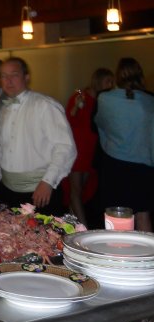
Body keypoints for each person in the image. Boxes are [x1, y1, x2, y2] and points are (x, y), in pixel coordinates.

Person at [0, 57, 76, 214]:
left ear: (26, 77)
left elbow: (65, 147)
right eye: (4, 76)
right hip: (7, 191)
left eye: (14, 75)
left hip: (39, 192)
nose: (9, 81)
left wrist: (48, 182)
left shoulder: (45, 105)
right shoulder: (4, 111)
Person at [94, 58, 154, 232]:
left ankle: (117, 256)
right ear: (140, 76)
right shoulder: (150, 101)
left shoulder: (105, 98)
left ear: (117, 76)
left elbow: (99, 125)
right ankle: (148, 258)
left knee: (116, 217)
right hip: (144, 167)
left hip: (115, 166)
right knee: (143, 216)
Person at [65, 68, 114, 226]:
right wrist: (76, 107)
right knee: (76, 192)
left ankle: (72, 228)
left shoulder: (103, 100)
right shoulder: (81, 97)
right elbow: (68, 121)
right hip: (77, 151)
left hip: (91, 151)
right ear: (98, 81)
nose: (111, 85)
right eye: (108, 81)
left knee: (82, 192)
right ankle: (83, 229)